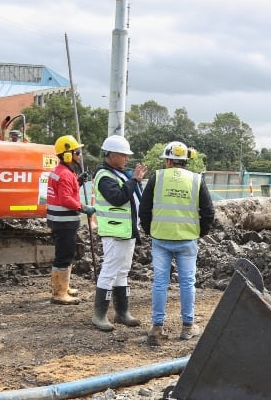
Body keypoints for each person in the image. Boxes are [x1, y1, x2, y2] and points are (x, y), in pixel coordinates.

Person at [139, 141, 215, 344]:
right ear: (185, 160)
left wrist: (151, 231)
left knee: (160, 283)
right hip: (187, 239)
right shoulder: (196, 179)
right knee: (188, 283)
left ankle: (157, 327)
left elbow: (144, 209)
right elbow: (209, 212)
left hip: (161, 238)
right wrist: (199, 232)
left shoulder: (157, 177)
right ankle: (188, 327)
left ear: (169, 160)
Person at [90, 135, 148, 332]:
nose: (126, 159)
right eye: (123, 155)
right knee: (109, 271)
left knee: (122, 271)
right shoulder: (104, 176)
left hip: (125, 231)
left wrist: (134, 180)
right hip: (115, 232)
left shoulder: (118, 173)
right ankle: (100, 315)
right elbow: (118, 198)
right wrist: (134, 180)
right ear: (111, 154)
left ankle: (122, 313)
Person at [46, 135, 96, 305]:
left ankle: (64, 287)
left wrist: (79, 181)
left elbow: (66, 190)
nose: (80, 155)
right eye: (77, 151)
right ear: (67, 155)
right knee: (64, 255)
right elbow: (66, 199)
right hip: (64, 222)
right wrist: (84, 208)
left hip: (59, 221)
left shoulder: (61, 172)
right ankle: (59, 294)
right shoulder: (66, 174)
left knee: (66, 253)